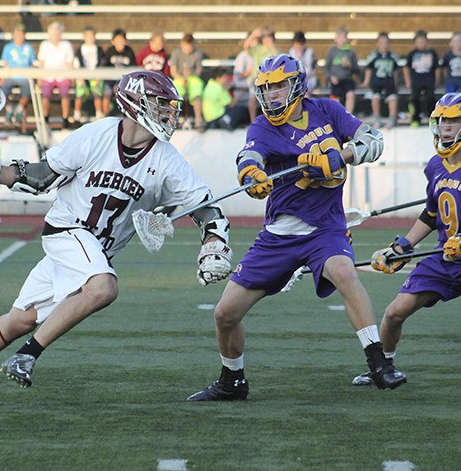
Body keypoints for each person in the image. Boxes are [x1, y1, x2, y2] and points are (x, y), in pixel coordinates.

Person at [0, 70, 234, 414]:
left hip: (89, 254)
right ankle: (27, 356)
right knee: (104, 288)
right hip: (66, 231)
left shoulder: (167, 160)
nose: (167, 113)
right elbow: (42, 177)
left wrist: (214, 242)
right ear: (134, 103)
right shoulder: (96, 135)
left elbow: (205, 208)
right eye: (160, 104)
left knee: (18, 321)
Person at [186, 54, 406, 402]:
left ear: (298, 85)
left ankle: (379, 363)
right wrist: (252, 176)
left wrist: (342, 156)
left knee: (344, 273)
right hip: (280, 235)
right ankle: (233, 381)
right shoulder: (263, 126)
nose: (272, 95)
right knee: (225, 314)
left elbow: (373, 139)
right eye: (266, 88)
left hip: (326, 229)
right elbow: (249, 158)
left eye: (279, 86)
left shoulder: (327, 110)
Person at [352, 92, 461, 386]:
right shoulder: (436, 166)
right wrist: (402, 247)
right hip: (446, 258)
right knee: (394, 313)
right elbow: (431, 214)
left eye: (454, 120)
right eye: (442, 121)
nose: (446, 128)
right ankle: (384, 367)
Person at [0, 24, 36, 132]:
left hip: (25, 77)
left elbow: (32, 64)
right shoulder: (8, 48)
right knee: (0, 93)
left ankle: (19, 109)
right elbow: (5, 64)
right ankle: (10, 109)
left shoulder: (29, 48)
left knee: (27, 93)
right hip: (11, 76)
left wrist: (32, 77)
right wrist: (2, 78)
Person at [37, 21, 74, 129]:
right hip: (48, 76)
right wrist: (40, 77)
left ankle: (65, 119)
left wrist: (72, 77)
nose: (56, 36)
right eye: (53, 34)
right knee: (45, 94)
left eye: (58, 34)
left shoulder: (66, 45)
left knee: (65, 94)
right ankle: (45, 118)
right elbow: (41, 63)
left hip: (63, 75)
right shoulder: (44, 45)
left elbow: (69, 63)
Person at [361, 32, 399, 129]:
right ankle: (377, 118)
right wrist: (366, 81)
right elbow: (369, 68)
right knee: (375, 98)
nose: (384, 45)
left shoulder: (393, 56)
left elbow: (395, 71)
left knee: (392, 98)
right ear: (377, 44)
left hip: (389, 82)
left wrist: (396, 82)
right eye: (381, 43)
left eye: (386, 42)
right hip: (377, 82)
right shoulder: (373, 55)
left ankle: (391, 119)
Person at [403, 30, 439, 128]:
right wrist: (407, 81)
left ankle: (431, 118)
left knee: (430, 98)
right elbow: (406, 68)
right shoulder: (412, 54)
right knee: (414, 98)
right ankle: (415, 118)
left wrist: (436, 80)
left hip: (429, 81)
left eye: (423, 41)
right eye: (419, 42)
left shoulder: (432, 53)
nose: (421, 44)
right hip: (416, 81)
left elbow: (436, 68)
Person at [170, 33, 205, 131]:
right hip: (179, 77)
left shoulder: (197, 54)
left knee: (197, 90)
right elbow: (173, 71)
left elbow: (198, 71)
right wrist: (181, 77)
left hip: (192, 78)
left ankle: (198, 121)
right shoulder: (176, 53)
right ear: (182, 45)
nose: (188, 50)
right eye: (186, 47)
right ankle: (171, 120)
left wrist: (191, 73)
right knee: (174, 94)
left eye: (190, 47)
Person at [72, 26, 106, 125]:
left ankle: (99, 114)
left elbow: (102, 63)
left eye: (92, 36)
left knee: (97, 94)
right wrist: (80, 77)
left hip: (95, 76)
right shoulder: (80, 49)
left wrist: (99, 76)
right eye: (88, 36)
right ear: (83, 37)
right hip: (82, 75)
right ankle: (76, 115)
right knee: (79, 95)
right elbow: (77, 64)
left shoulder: (99, 49)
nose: (90, 38)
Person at [324, 26, 359, 114]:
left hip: (347, 79)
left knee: (350, 94)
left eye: (344, 37)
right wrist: (331, 77)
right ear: (336, 38)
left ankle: (349, 117)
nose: (342, 39)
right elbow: (326, 68)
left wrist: (349, 66)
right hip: (336, 80)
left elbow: (356, 69)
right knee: (335, 98)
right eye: (340, 37)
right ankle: (338, 117)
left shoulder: (350, 52)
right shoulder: (331, 51)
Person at [201, 67, 248, 131]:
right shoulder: (219, 88)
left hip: (208, 119)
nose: (227, 79)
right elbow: (231, 104)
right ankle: (227, 120)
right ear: (218, 78)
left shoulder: (210, 84)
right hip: (217, 118)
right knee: (241, 109)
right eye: (225, 77)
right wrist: (240, 93)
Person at [102, 28, 135, 116]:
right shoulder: (109, 52)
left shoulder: (129, 52)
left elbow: (133, 68)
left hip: (124, 81)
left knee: (124, 93)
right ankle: (106, 114)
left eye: (122, 40)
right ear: (113, 41)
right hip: (110, 80)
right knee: (107, 92)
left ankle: (126, 113)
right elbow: (104, 67)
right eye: (118, 41)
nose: (120, 43)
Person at [288, 31, 317, 95]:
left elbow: (314, 69)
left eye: (300, 45)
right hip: (295, 77)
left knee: (306, 86)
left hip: (308, 78)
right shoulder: (291, 52)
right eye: (296, 44)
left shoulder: (310, 52)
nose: (298, 47)